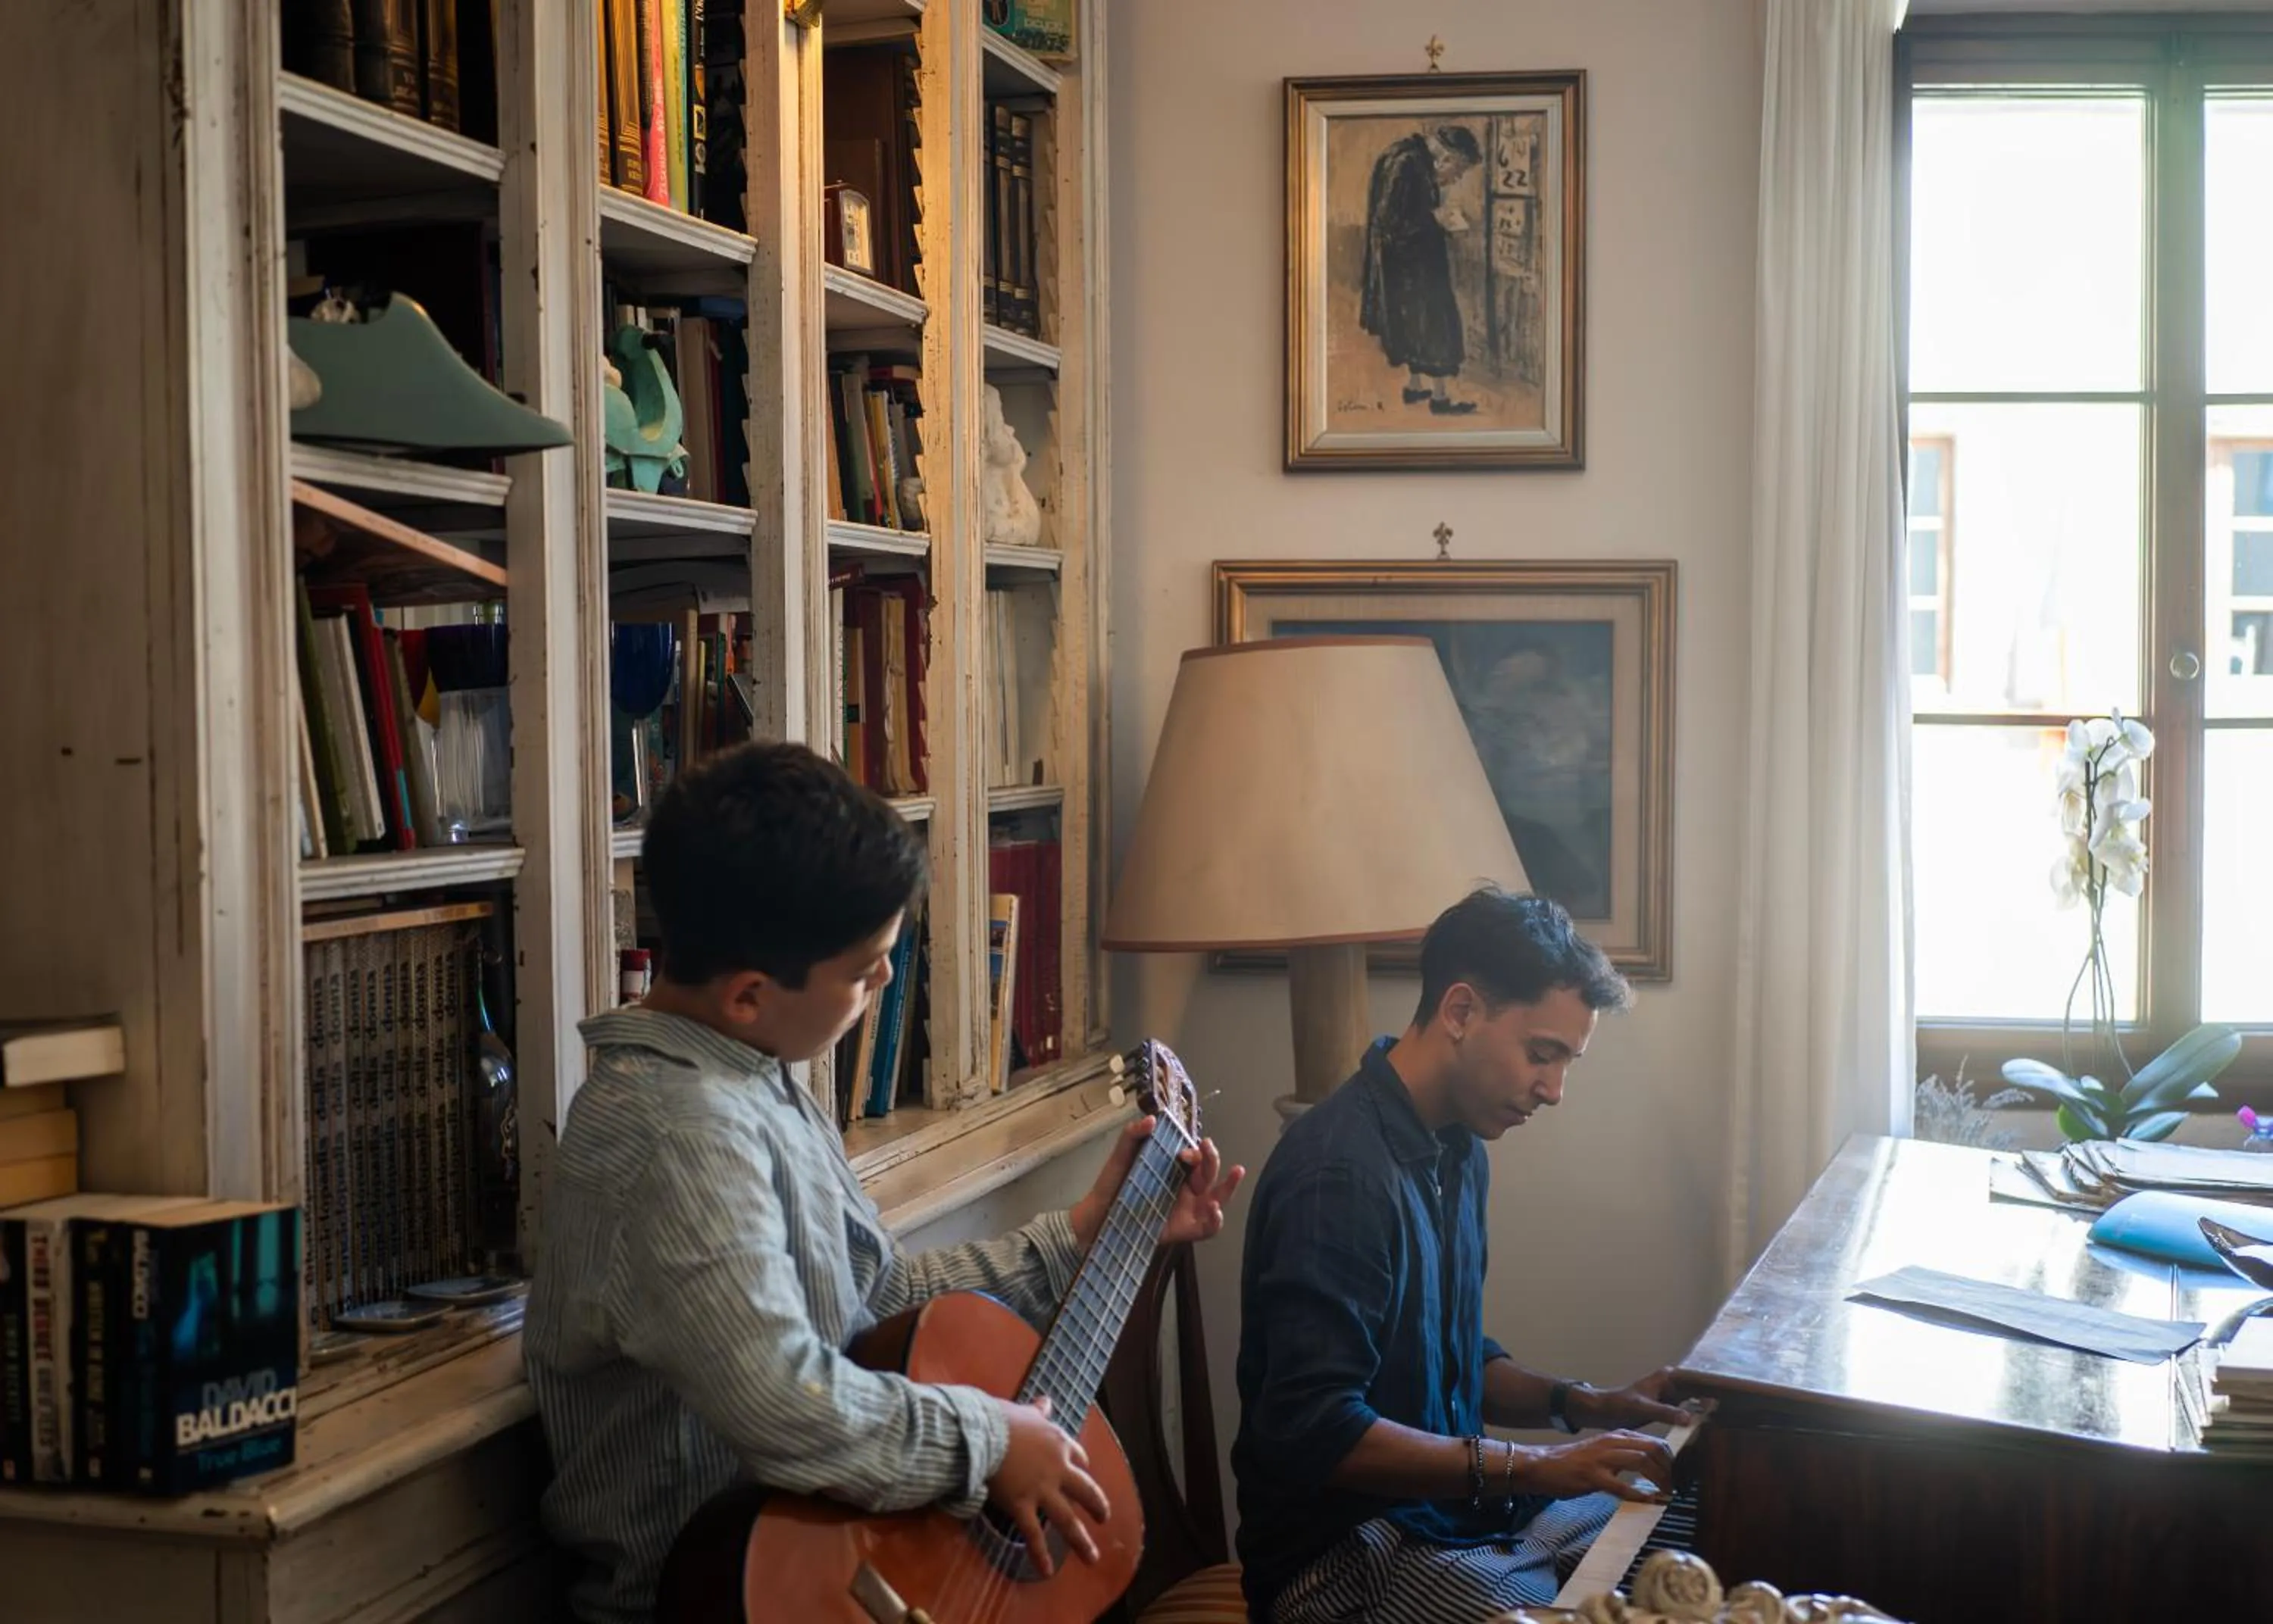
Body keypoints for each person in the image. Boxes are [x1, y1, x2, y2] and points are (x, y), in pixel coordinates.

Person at [524, 742, 1243, 1624]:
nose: (890, 978)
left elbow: (872, 1296)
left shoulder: (754, 1071)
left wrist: (1081, 1232)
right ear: (749, 993)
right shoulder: (677, 1131)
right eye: (866, 969)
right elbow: (783, 1402)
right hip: (720, 1595)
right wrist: (989, 1441)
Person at [1231, 887, 1690, 1622]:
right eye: (1542, 1054)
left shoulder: (1459, 1147)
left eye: (1567, 1061)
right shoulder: (1339, 1174)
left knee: (1676, 1527)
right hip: (1349, 1558)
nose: (1554, 1089)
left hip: (1456, 1516)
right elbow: (1317, 1427)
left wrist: (1584, 1404)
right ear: (1460, 1011)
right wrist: (1536, 1464)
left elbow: (1446, 1357)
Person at [1358, 123, 1484, 415]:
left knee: (1416, 327)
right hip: (1414, 267)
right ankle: (1440, 399)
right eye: (1461, 169)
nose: (1457, 177)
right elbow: (1393, 222)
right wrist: (1437, 220)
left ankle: (1415, 387)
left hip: (1402, 266)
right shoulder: (1409, 164)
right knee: (1438, 326)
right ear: (1449, 157)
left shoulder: (1406, 155)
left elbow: (1395, 215)